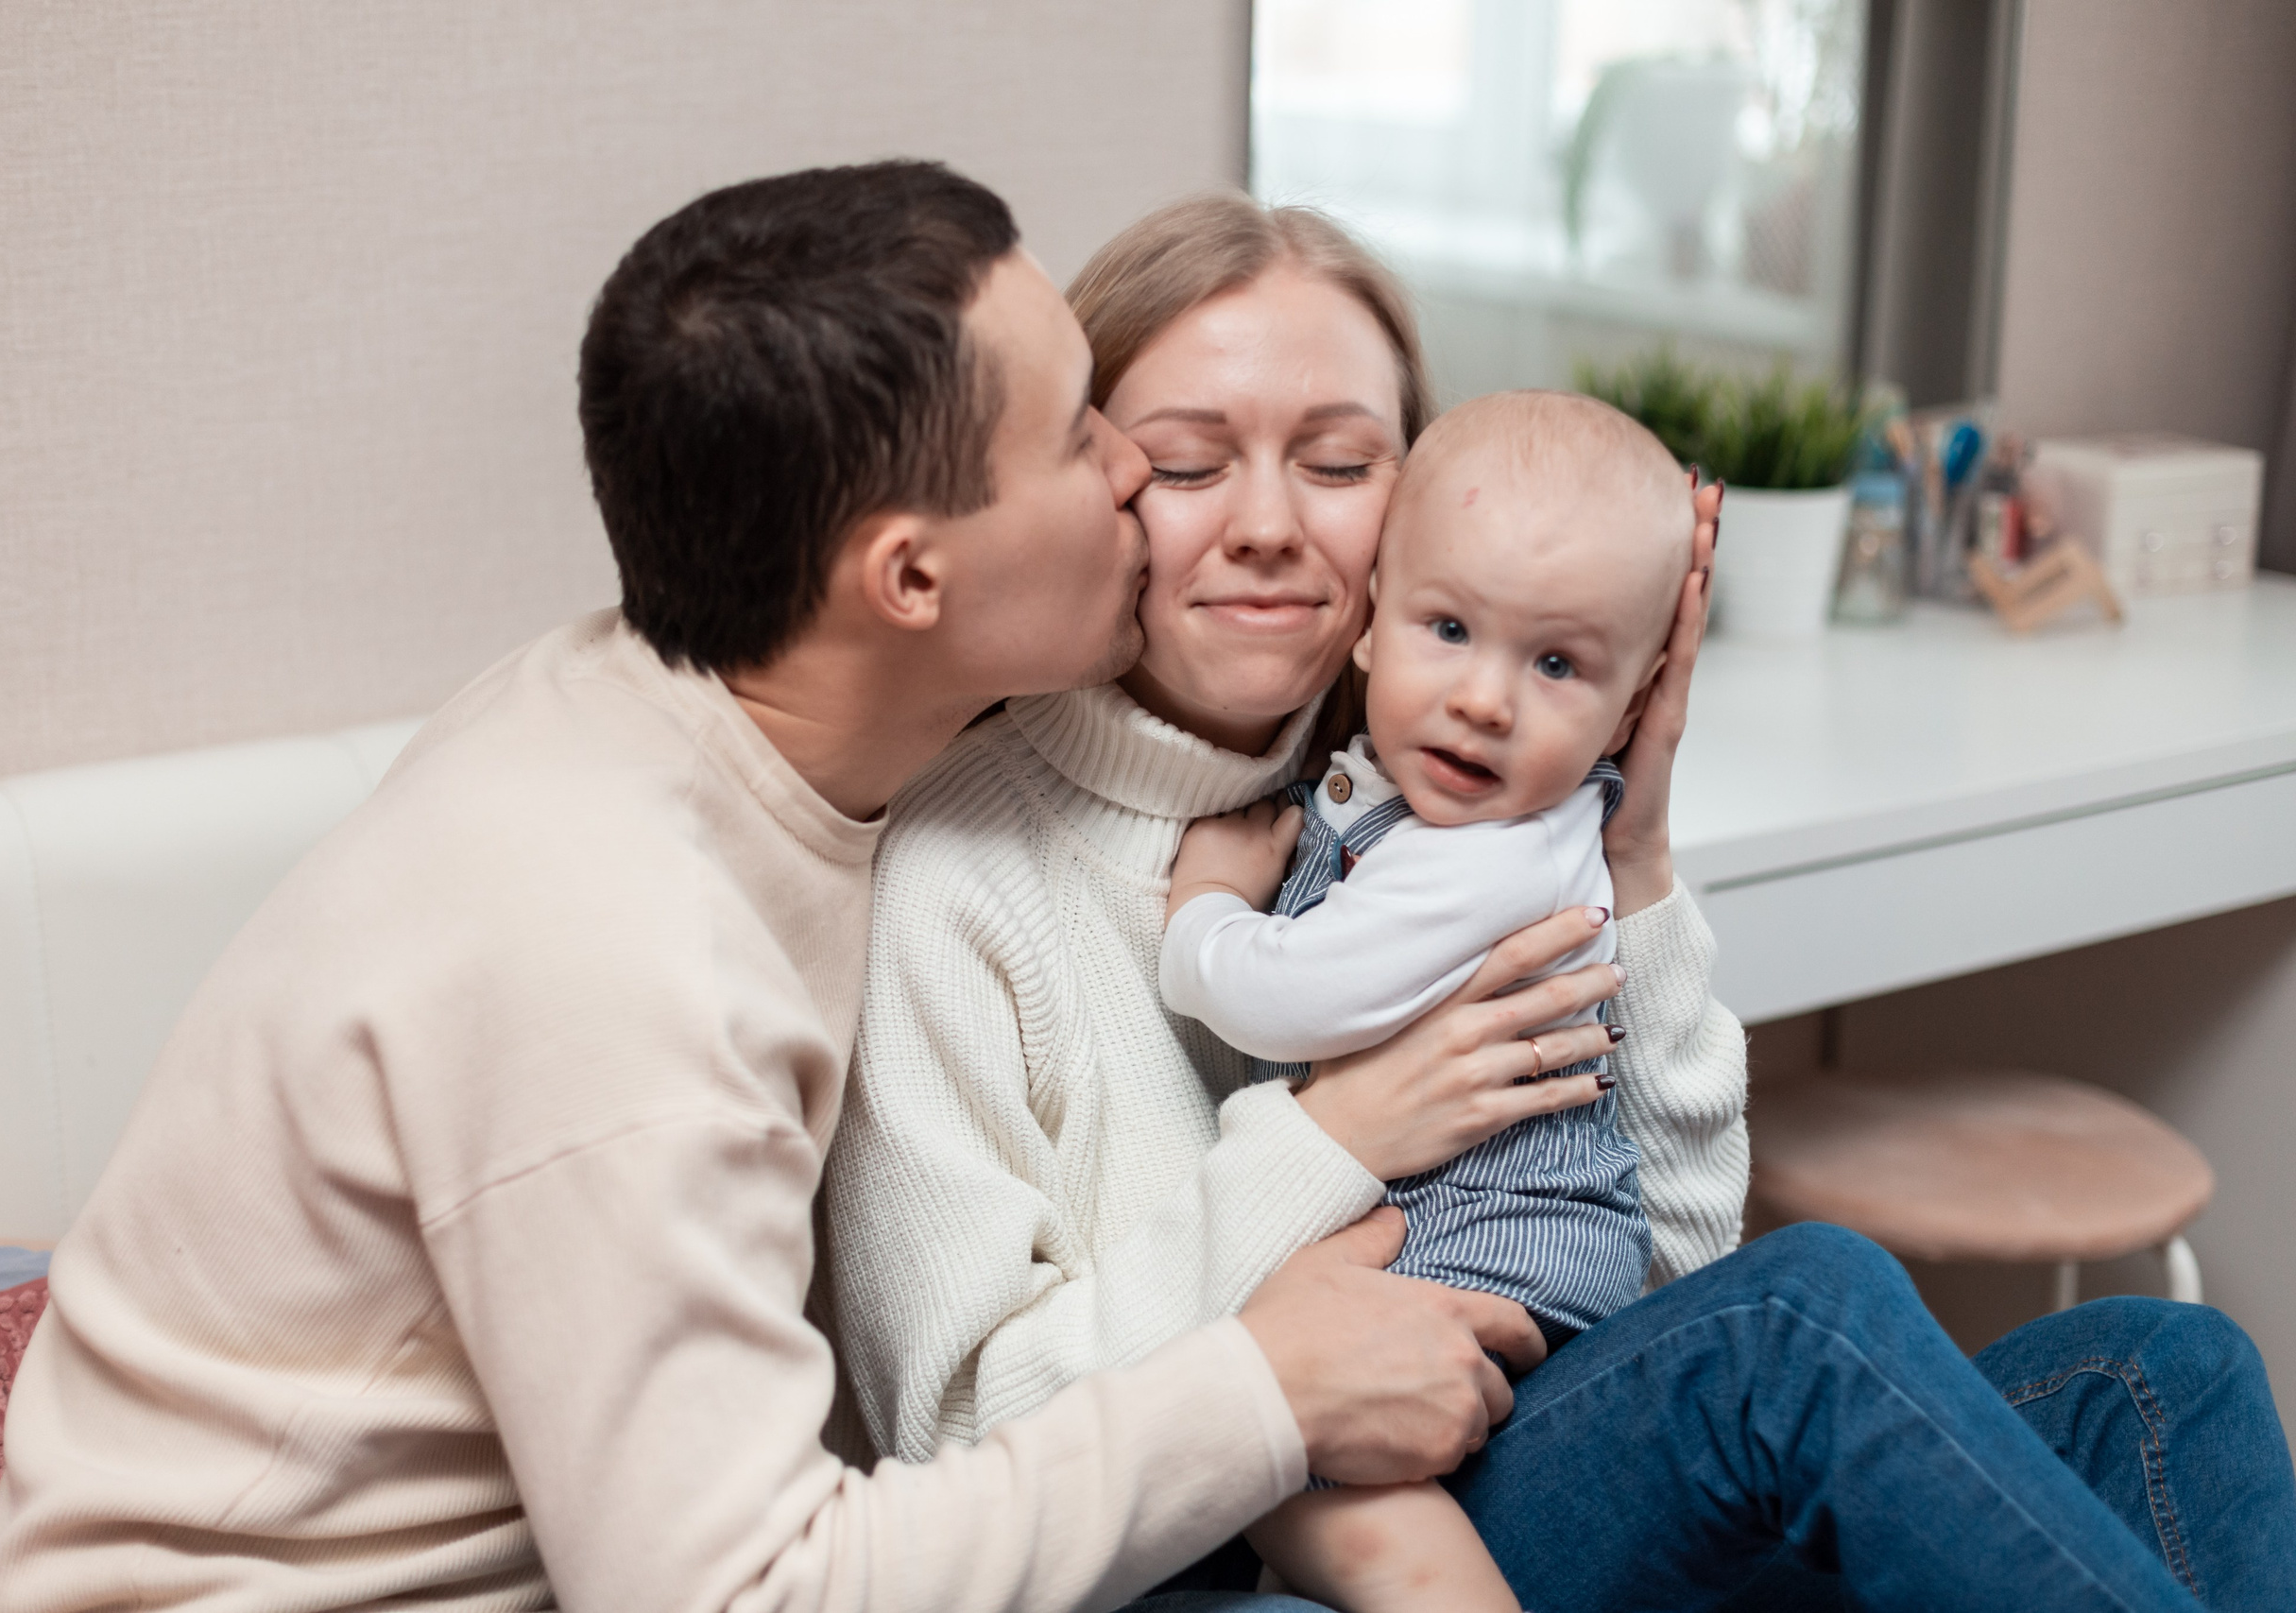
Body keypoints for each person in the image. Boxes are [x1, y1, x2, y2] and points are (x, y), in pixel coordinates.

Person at [0, 163, 1545, 1613]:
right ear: (912, 579)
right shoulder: (614, 951)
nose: (1141, 472)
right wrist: (1263, 1388)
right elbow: (739, 1598)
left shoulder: (699, 715)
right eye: (1085, 436)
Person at [822, 192, 2296, 1610]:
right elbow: (953, 1446)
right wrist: (1333, 1141)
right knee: (1802, 1321)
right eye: (1192, 461)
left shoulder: (1445, 794)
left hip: (1512, 1451)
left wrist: (1637, 865)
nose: (1270, 524)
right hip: (1220, 1571)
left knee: (2162, 1378)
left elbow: (1669, 1265)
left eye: (1337, 464)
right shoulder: (964, 879)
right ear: (1097, 485)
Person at [1157, 390, 1697, 1613]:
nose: (1486, 699)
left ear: (1633, 704)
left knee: (1306, 1461)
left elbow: (1294, 997)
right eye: (1448, 628)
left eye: (1557, 664)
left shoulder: (1490, 855)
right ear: (1369, 623)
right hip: (1493, 1236)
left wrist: (1201, 916)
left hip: (1497, 1238)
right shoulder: (1413, 795)